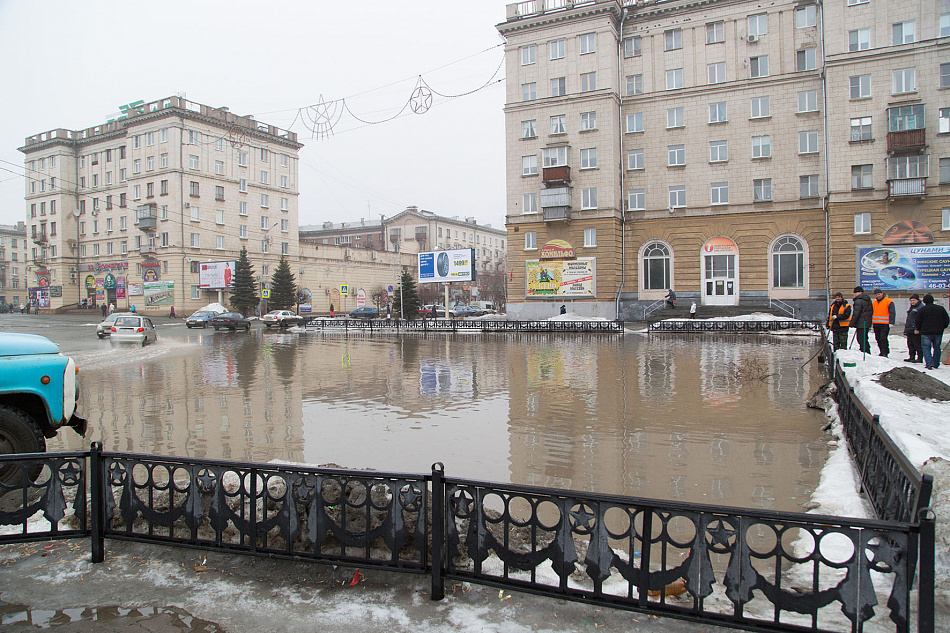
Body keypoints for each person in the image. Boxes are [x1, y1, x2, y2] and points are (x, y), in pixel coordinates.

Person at [915, 294, 949, 370]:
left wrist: (918, 329)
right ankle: (936, 363)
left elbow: (918, 321)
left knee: (926, 348)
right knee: (937, 347)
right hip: (938, 332)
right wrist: (942, 327)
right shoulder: (940, 309)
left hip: (925, 332)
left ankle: (929, 363)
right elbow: (946, 319)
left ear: (924, 301)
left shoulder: (922, 310)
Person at [871, 288, 895, 357]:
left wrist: (891, 322)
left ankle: (885, 352)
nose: (877, 296)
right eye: (876, 295)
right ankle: (881, 351)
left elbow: (892, 312)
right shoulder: (874, 303)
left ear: (882, 293)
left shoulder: (888, 301)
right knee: (878, 338)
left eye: (879, 294)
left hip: (885, 324)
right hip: (876, 324)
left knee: (883, 338)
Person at [850, 286, 873, 353]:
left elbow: (856, 313)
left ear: (859, 292)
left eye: (855, 292)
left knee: (861, 338)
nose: (855, 294)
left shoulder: (859, 300)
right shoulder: (867, 299)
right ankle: (866, 350)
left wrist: (852, 323)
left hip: (861, 323)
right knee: (864, 338)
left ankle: (865, 351)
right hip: (866, 322)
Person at [903, 294, 923, 363]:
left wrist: (917, 328)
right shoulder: (912, 307)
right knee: (910, 344)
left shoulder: (920, 308)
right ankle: (911, 356)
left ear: (918, 300)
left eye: (913, 300)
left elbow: (920, 320)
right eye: (911, 300)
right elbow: (909, 319)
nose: (912, 302)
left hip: (915, 329)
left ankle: (920, 358)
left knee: (917, 344)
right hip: (910, 329)